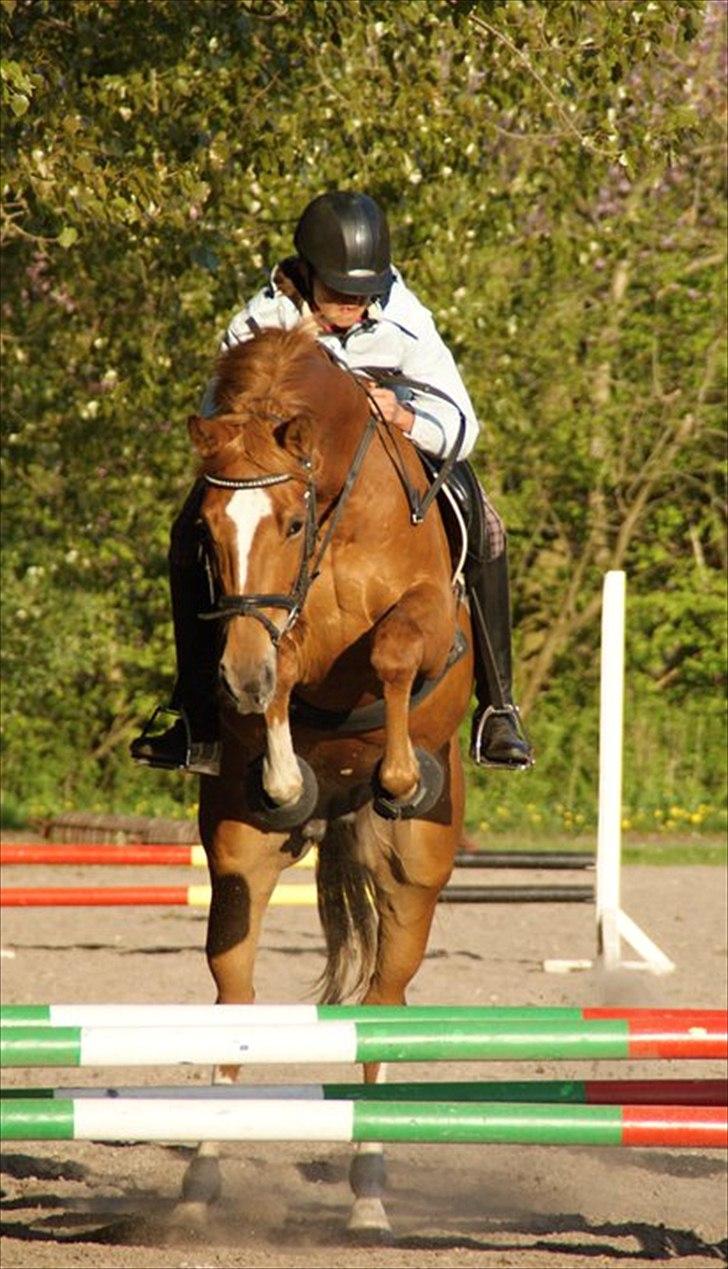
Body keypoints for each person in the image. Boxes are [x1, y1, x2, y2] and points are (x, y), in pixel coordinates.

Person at [131, 191, 532, 774]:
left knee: (487, 524)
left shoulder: (405, 317)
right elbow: (222, 418)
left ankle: (498, 709)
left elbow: (463, 422)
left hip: (390, 449)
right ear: (308, 273)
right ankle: (195, 715)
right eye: (339, 290)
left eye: (361, 292)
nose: (351, 304)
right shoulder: (256, 322)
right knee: (189, 534)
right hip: (281, 468)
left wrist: (407, 417)